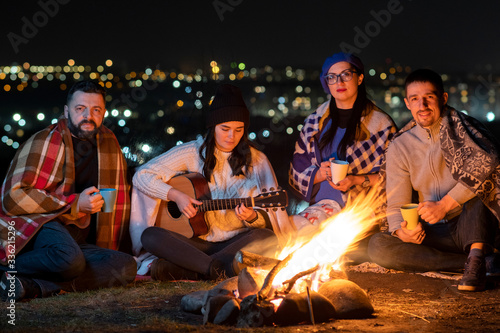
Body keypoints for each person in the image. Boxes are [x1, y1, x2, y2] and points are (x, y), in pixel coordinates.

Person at [130, 84, 292, 280]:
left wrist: (250, 217)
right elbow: (142, 175)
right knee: (150, 236)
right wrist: (176, 196)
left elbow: (269, 219)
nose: (231, 136)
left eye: (238, 129)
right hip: (193, 242)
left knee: (266, 238)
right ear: (213, 126)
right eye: (225, 129)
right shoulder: (191, 152)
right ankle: (219, 269)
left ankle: (194, 269)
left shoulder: (257, 161)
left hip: (232, 243)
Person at [0, 81, 136, 301]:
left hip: (78, 239)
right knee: (69, 260)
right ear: (66, 111)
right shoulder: (45, 140)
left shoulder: (109, 142)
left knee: (125, 266)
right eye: (80, 108)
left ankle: (31, 285)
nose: (88, 116)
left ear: (103, 113)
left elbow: (116, 199)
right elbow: (12, 197)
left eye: (96, 110)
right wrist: (74, 204)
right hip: (40, 225)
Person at [368, 69, 500, 292]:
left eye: (429, 97)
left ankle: (476, 255)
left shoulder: (465, 129)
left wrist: (445, 205)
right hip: (432, 232)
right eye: (415, 99)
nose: (423, 105)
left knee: (482, 189)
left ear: (443, 98)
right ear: (407, 104)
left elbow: (490, 161)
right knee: (378, 245)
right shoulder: (400, 145)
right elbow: (395, 203)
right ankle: (476, 264)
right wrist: (402, 231)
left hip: (471, 225)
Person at [288, 52, 396, 261]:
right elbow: (297, 167)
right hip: (322, 205)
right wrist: (318, 174)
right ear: (326, 82)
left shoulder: (381, 125)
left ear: (360, 78)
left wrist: (356, 180)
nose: (339, 82)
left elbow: (395, 176)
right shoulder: (315, 121)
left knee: (325, 241)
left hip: (361, 209)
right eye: (332, 77)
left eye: (346, 74)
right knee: (292, 229)